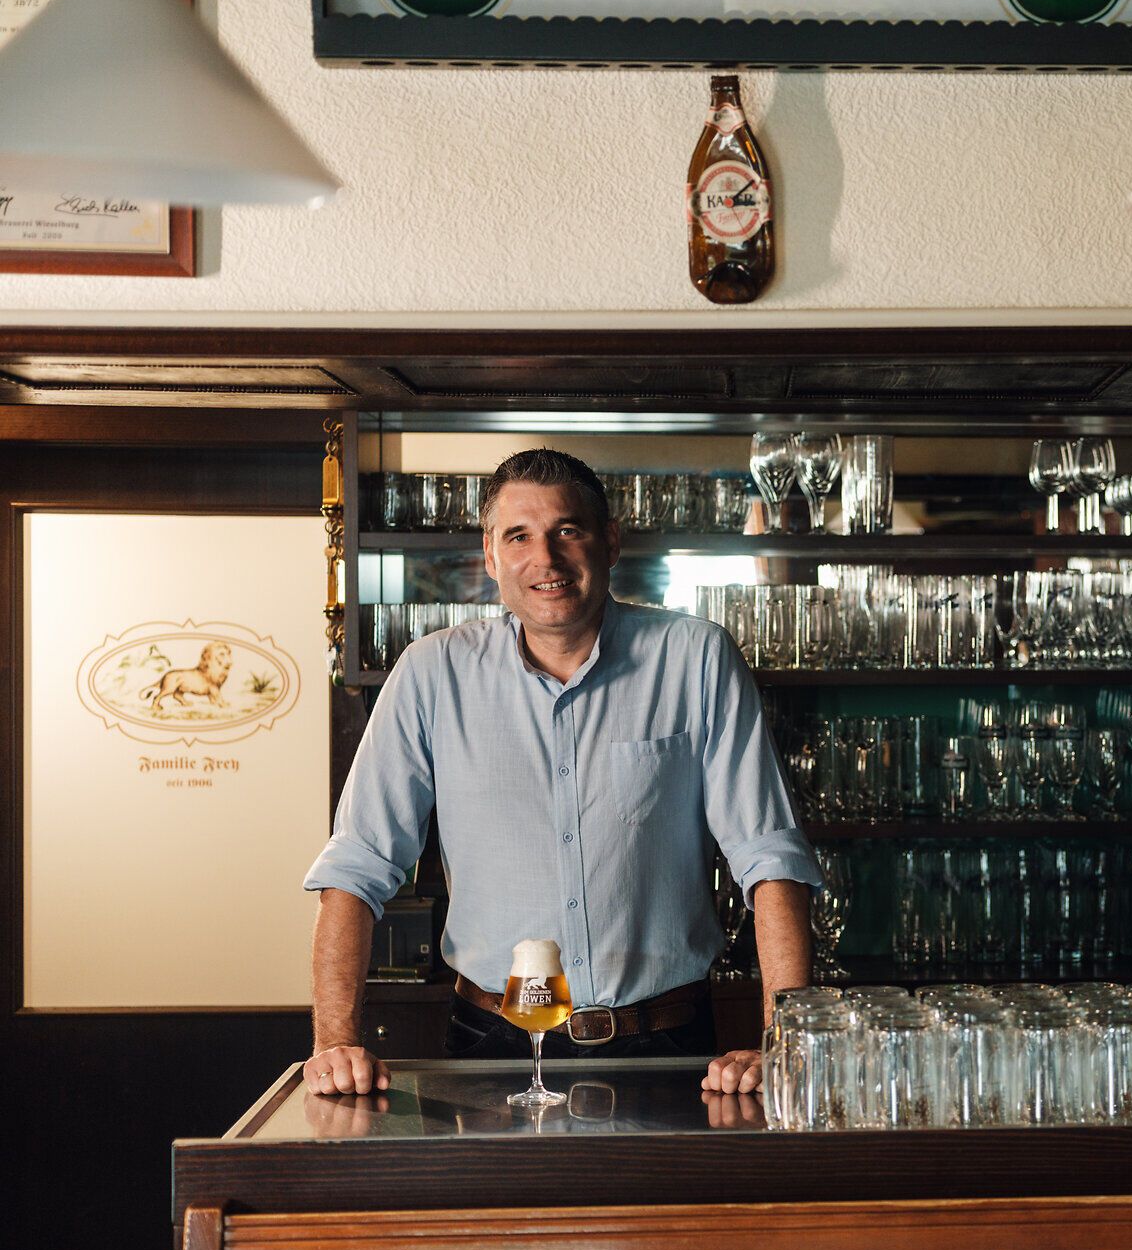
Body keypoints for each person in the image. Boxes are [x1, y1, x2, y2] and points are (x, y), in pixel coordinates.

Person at [302, 449, 821, 1099]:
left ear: (610, 543)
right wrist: (334, 1043)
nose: (544, 559)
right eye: (518, 536)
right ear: (490, 556)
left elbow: (768, 855)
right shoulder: (431, 673)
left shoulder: (695, 658)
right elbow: (357, 865)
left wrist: (786, 1041)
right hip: (491, 1047)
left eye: (567, 531)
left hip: (669, 1043)